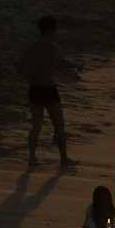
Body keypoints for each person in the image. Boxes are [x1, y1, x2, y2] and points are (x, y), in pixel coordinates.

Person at [17, 15, 82, 168]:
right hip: (48, 89)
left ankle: (32, 157)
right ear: (52, 30)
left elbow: (19, 69)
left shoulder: (30, 47)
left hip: (34, 89)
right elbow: (62, 62)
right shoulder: (51, 46)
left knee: (36, 125)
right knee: (59, 124)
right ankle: (64, 159)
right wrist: (77, 65)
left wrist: (31, 78)